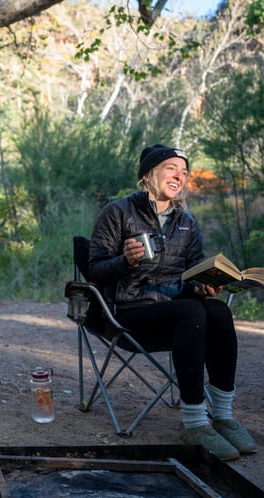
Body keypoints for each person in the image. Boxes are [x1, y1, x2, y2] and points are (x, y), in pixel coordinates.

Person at [88, 143, 257, 461]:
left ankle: (222, 416)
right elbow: (95, 270)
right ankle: (194, 423)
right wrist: (124, 261)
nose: (179, 177)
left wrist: (205, 285)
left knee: (217, 311)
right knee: (190, 312)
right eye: (171, 169)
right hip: (128, 313)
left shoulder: (187, 221)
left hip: (177, 316)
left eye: (184, 173)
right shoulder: (118, 212)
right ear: (147, 175)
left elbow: (190, 276)